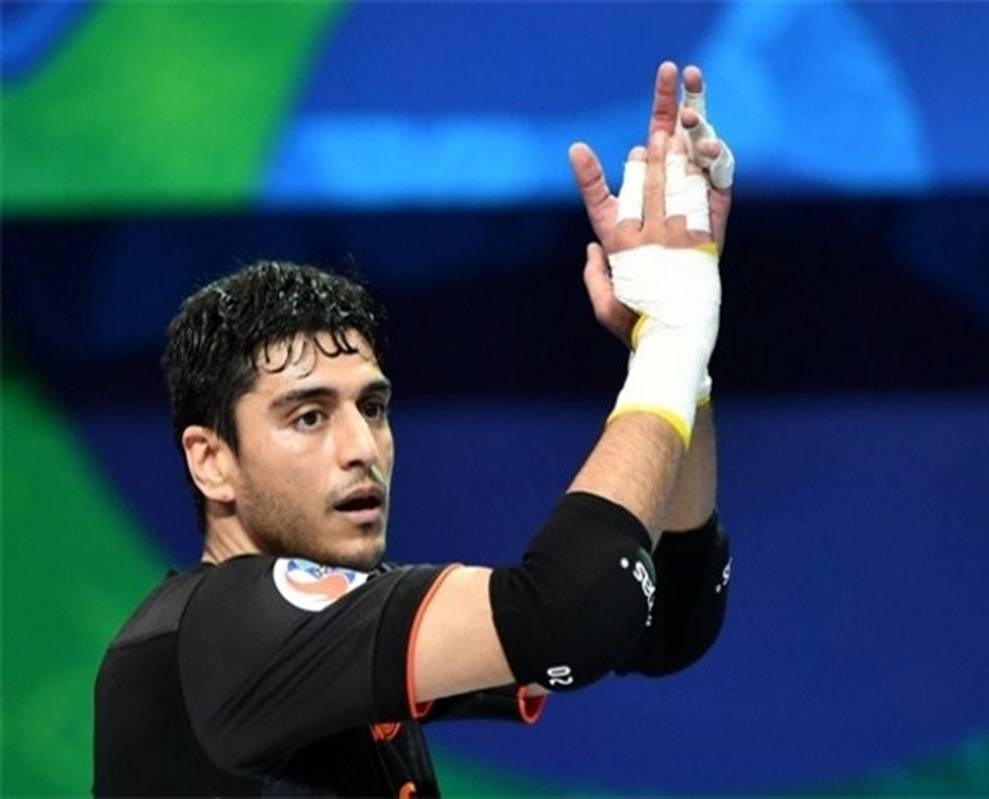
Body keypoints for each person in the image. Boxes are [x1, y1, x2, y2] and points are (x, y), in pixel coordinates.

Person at [93, 62, 735, 797]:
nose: (361, 449)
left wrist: (685, 370)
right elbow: (567, 614)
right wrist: (672, 341)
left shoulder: (319, 640)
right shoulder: (228, 629)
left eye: (371, 408)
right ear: (211, 461)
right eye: (308, 416)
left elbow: (663, 622)